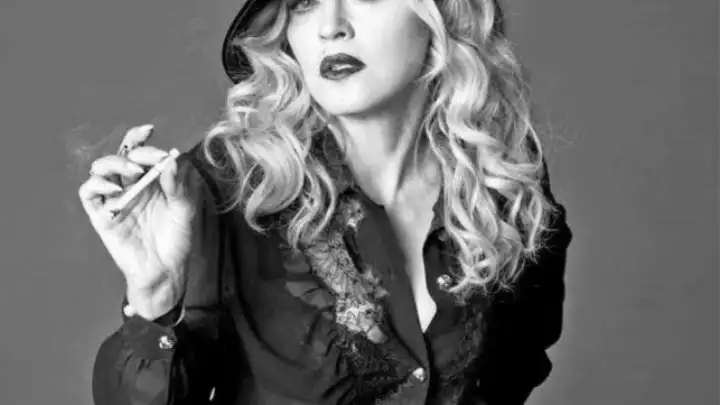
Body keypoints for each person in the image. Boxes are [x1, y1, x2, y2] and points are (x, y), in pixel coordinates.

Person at [80, 0, 573, 403]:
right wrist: (154, 297)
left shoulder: (497, 177)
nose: (330, 26)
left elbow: (519, 359)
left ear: (441, 13)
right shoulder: (221, 189)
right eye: (303, 3)